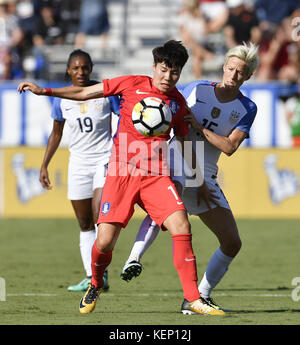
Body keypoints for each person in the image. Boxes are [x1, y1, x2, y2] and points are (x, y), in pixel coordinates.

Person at [18, 40, 225, 316]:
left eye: (175, 72)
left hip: (156, 177)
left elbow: (186, 142)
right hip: (121, 174)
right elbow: (85, 93)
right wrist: (44, 91)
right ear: (154, 67)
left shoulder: (177, 102)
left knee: (182, 225)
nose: (168, 77)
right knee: (104, 242)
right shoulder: (130, 83)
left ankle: (193, 298)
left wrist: (197, 181)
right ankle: (95, 283)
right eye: (164, 70)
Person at [121, 42, 259, 311]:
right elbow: (167, 113)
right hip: (177, 159)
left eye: (240, 72)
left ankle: (198, 296)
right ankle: (134, 258)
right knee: (166, 203)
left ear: (248, 76)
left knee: (232, 242)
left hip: (206, 174)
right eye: (230, 68)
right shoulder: (197, 89)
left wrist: (199, 129)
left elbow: (229, 147)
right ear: (224, 67)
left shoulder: (248, 108)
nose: (233, 75)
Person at [39, 49, 120, 292]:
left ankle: (101, 272)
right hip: (78, 163)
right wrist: (44, 165)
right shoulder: (61, 99)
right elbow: (56, 133)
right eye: (75, 68)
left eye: (85, 67)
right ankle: (92, 277)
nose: (81, 72)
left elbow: (122, 120)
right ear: (68, 70)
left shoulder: (105, 92)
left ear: (91, 68)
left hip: (104, 159)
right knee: (84, 223)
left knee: (99, 215)